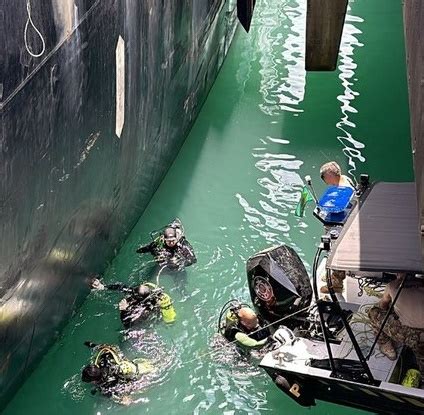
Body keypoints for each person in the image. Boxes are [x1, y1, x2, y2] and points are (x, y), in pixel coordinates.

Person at [367, 274, 424, 373]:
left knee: (374, 313)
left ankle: (387, 347)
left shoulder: (392, 286)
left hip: (409, 334)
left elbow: (382, 306)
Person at [319, 161, 354, 295]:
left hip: (340, 225)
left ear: (331, 176)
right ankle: (333, 274)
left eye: (326, 178)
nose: (325, 182)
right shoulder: (344, 179)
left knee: (336, 250)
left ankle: (337, 283)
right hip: (342, 220)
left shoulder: (343, 189)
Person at [82, 341, 154, 402]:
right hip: (139, 364)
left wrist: (123, 400)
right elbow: (106, 348)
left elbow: (122, 400)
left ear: (94, 381)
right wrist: (91, 345)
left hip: (141, 377)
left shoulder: (105, 386)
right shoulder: (104, 359)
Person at [91, 278, 176, 326]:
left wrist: (124, 310)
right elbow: (120, 287)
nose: (132, 295)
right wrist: (103, 287)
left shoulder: (146, 310)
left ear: (140, 299)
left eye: (134, 296)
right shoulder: (138, 293)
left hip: (144, 324)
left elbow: (128, 323)